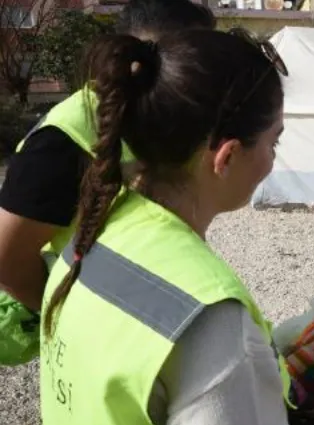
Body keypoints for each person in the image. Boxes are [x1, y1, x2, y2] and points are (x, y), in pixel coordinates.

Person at [38, 30, 314, 425]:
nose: (273, 158)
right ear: (227, 157)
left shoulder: (94, 228)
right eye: (274, 141)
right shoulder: (210, 316)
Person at [0, 0, 215, 366]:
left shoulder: (160, 121)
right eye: (199, 63)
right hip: (103, 338)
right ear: (140, 61)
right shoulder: (62, 139)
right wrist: (80, 318)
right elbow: (7, 259)